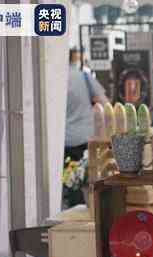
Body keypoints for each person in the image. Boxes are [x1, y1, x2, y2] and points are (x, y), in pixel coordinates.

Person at [64, 48, 108, 208]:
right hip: (86, 139)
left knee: (70, 182)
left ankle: (73, 210)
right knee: (87, 181)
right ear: (74, 59)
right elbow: (104, 103)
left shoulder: (52, 79)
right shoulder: (83, 76)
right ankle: (90, 212)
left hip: (64, 142)